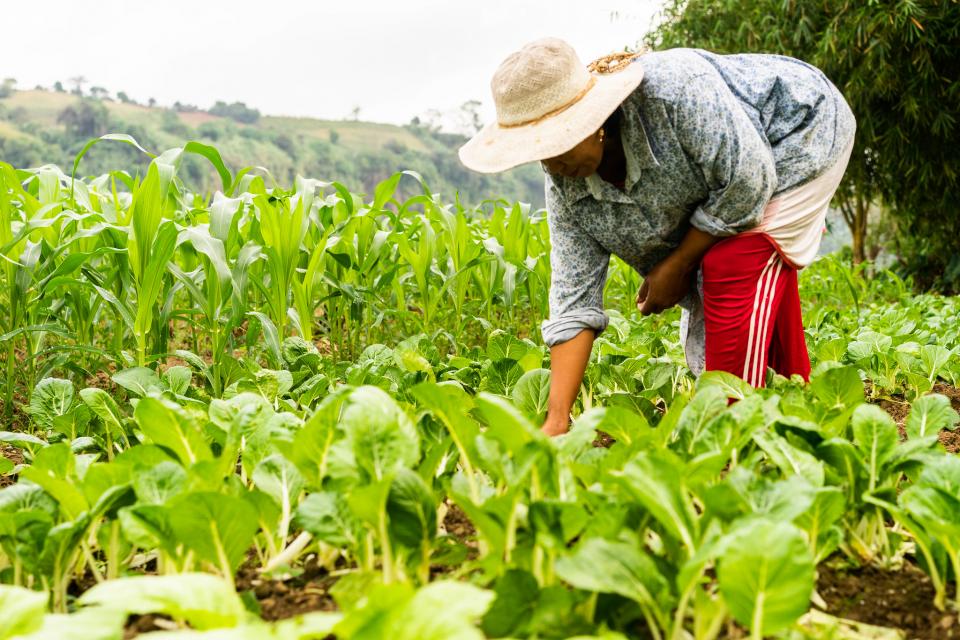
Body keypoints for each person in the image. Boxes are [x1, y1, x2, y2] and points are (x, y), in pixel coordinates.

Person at [458, 38, 856, 436]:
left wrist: (679, 264)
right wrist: (557, 419)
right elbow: (572, 300)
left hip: (799, 132)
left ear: (593, 120)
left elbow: (747, 185)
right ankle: (801, 399)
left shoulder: (675, 96)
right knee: (745, 270)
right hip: (739, 175)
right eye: (538, 150)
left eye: (557, 140)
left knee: (732, 261)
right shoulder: (566, 185)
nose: (552, 162)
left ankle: (733, 431)